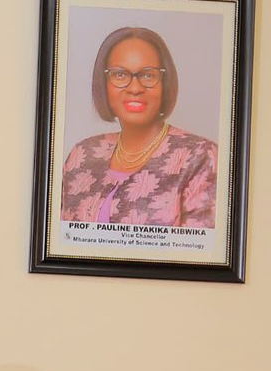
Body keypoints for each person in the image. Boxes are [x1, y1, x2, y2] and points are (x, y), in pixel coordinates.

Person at [60, 27, 218, 228]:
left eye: (148, 75)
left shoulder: (200, 157)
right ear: (103, 83)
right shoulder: (82, 155)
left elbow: (202, 246)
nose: (135, 88)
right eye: (119, 74)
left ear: (165, 83)